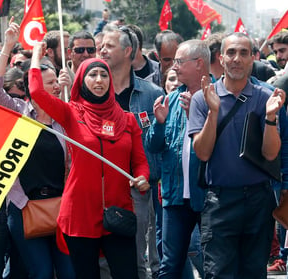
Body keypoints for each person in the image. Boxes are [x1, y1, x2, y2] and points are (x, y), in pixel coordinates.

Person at [29, 41, 150, 279]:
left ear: (110, 81)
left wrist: (142, 178)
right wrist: (35, 56)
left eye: (103, 74)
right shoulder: (71, 112)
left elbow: (140, 162)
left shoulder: (128, 120)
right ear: (81, 80)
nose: (98, 80)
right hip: (80, 214)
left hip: (118, 212)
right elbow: (36, 93)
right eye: (92, 74)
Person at [188, 32, 285, 278]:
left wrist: (271, 118)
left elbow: (270, 153)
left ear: (253, 58)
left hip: (258, 201)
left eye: (244, 53)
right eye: (231, 53)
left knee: (253, 272)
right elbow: (203, 152)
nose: (236, 59)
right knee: (219, 272)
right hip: (220, 202)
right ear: (221, 58)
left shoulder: (266, 98)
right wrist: (213, 112)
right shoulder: (203, 98)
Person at [0, 18, 74, 279]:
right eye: (49, 84)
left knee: (69, 273)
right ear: (33, 88)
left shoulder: (66, 119)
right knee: (42, 273)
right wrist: (8, 46)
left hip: (62, 209)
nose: (55, 88)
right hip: (25, 208)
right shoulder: (20, 113)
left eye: (56, 84)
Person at [100, 24, 164, 279]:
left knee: (136, 260)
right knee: (102, 262)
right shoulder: (91, 92)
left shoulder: (152, 95)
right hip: (100, 187)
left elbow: (159, 146)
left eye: (109, 46)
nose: (102, 51)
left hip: (136, 189)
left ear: (128, 51)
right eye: (101, 46)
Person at [146, 39, 209, 279]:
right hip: (174, 196)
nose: (174, 67)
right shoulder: (171, 98)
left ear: (199, 64)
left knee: (212, 263)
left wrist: (199, 112)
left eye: (180, 62)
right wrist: (159, 124)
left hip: (207, 196)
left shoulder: (217, 96)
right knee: (169, 266)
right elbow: (153, 145)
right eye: (173, 62)